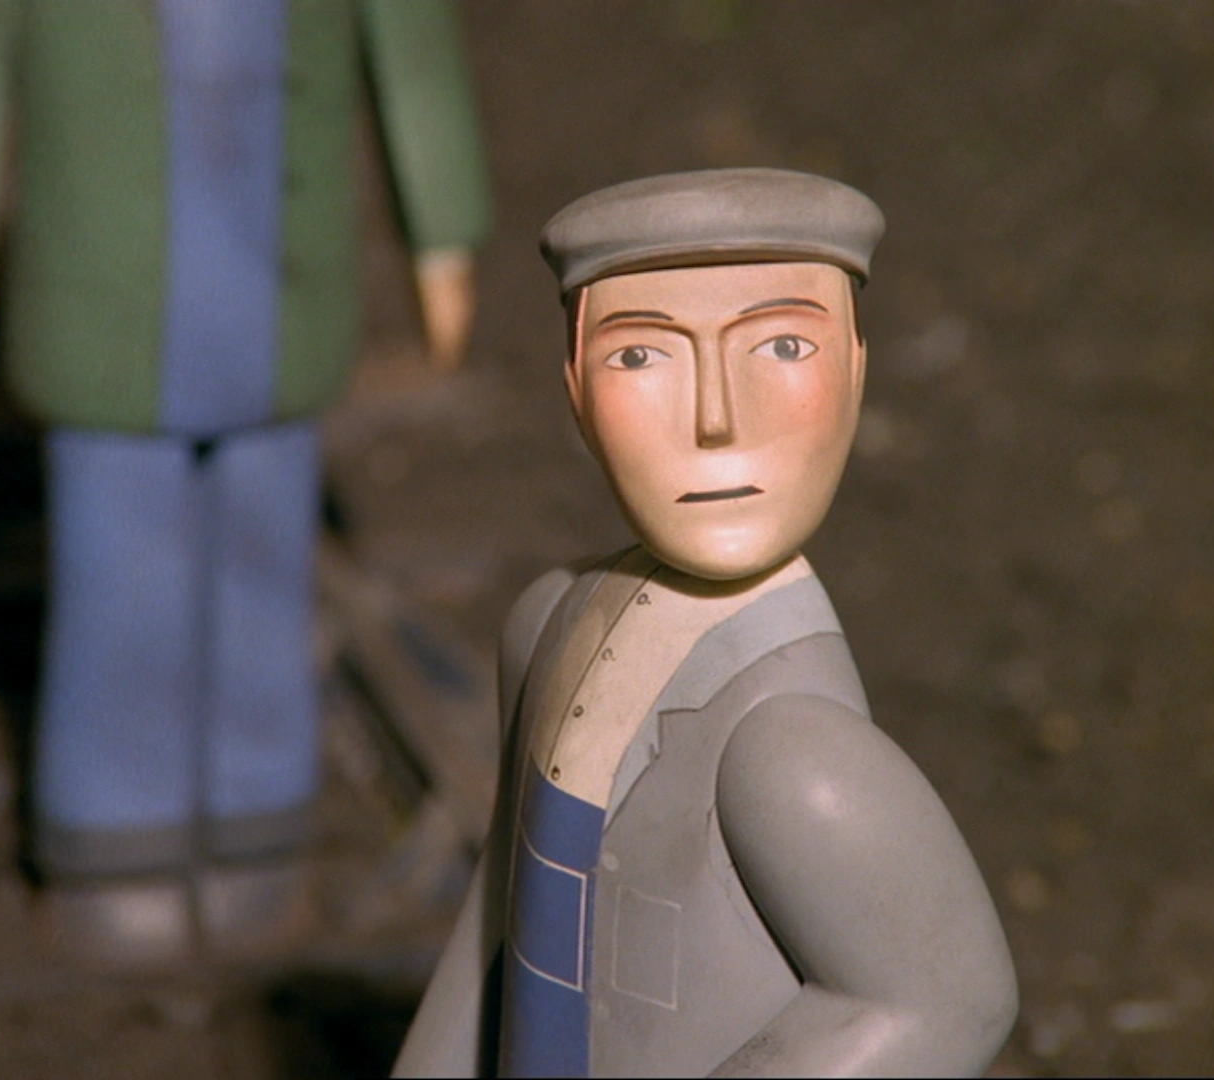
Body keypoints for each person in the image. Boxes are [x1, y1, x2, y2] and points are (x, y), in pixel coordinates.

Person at [0, 0, 492, 969]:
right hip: (104, 317)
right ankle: (115, 846)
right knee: (120, 581)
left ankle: (257, 834)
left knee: (262, 579)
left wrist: (443, 225)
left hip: (275, 315)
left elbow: (411, 50)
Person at [393, 168, 1017, 1077]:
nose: (716, 417)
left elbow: (949, 1003)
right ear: (574, 388)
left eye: (783, 347)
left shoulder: (798, 759)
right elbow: (500, 908)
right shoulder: (548, 626)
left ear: (856, 371)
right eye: (641, 356)